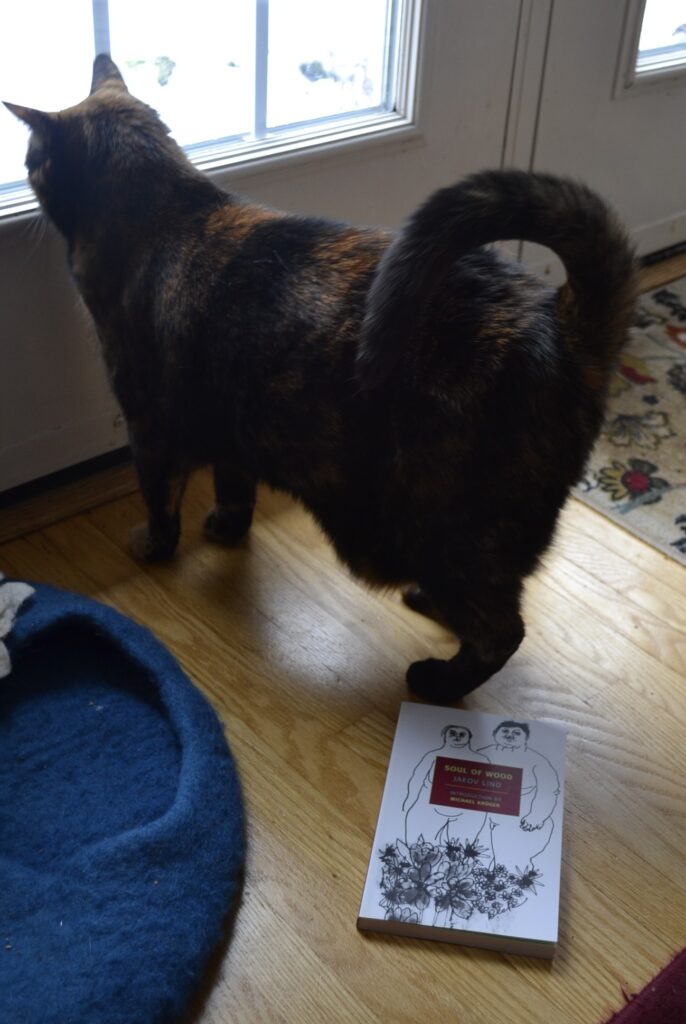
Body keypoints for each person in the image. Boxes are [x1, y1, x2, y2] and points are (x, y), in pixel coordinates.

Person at [476, 721, 560, 873]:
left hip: (521, 816)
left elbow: (549, 790)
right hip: (485, 813)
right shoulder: (480, 753)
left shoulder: (537, 761)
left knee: (512, 861)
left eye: (516, 733)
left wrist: (536, 817)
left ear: (526, 738)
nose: (509, 735)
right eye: (505, 731)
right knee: (480, 856)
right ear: (494, 734)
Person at [403, 724, 490, 846]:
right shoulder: (433, 755)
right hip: (429, 804)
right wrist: (410, 799)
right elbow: (417, 777)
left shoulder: (481, 759)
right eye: (452, 734)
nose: (457, 737)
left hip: (465, 811)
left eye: (462, 735)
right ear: (445, 736)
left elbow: (486, 789)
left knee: (459, 849)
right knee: (418, 842)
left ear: (469, 738)